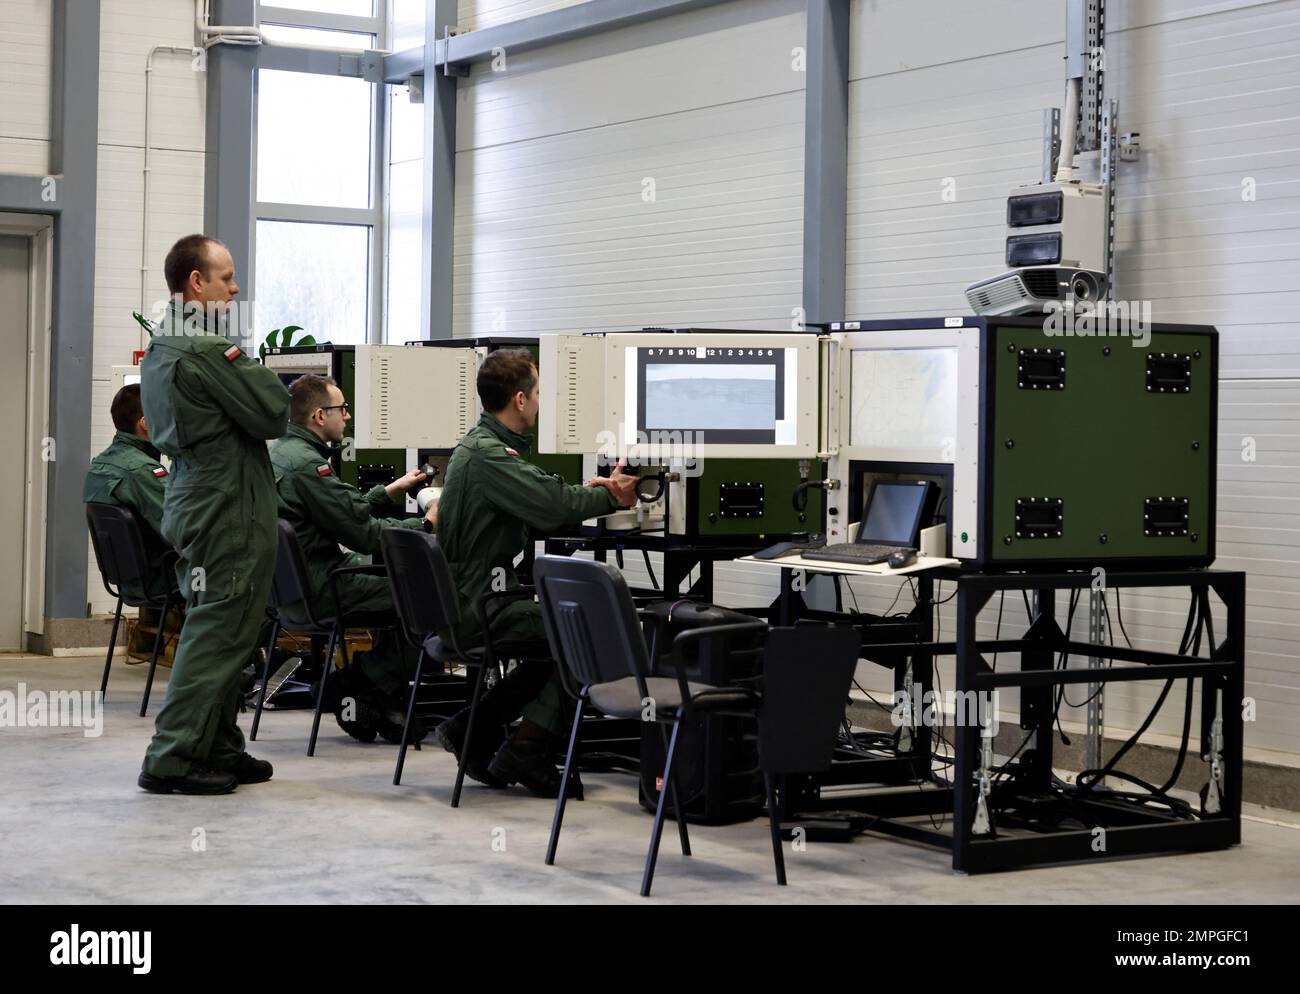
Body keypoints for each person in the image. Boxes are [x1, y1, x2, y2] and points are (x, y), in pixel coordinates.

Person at [434, 348, 638, 797]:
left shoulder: (479, 448)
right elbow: (551, 507)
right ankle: (530, 744)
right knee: (583, 630)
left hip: (466, 601)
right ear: (521, 400)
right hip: (480, 607)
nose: (542, 400)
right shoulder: (490, 457)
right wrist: (612, 498)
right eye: (540, 391)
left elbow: (542, 497)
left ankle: (476, 724)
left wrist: (581, 494)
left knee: (553, 642)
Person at [136, 234, 290, 796]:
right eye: (225, 277)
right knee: (217, 632)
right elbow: (275, 412)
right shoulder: (202, 349)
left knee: (228, 629)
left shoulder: (162, 346)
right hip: (227, 505)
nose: (236, 286)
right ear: (195, 284)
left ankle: (218, 744)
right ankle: (172, 755)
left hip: (196, 497)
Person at [271, 373, 436, 743]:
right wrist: (426, 524)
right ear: (318, 416)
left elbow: (340, 510)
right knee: (429, 597)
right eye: (341, 409)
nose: (346, 416)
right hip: (324, 586)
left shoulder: (279, 455)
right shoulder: (309, 467)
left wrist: (390, 491)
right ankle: (356, 683)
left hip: (290, 591)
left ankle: (374, 696)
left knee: (395, 585)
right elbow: (364, 535)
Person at [83, 384, 175, 601]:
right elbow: (179, 531)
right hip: (163, 580)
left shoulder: (101, 464)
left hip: (128, 581)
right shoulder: (142, 471)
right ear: (145, 423)